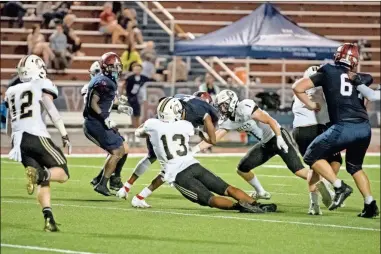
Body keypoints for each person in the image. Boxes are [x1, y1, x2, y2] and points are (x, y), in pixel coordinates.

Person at [133, 97, 277, 213]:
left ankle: (239, 207)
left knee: (210, 199)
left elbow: (138, 133)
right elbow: (206, 137)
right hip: (193, 165)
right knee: (227, 188)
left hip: (178, 175)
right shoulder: (185, 125)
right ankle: (256, 204)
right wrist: (206, 123)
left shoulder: (152, 124)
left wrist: (149, 132)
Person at [292, 43, 379, 218]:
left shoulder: (327, 71)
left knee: (310, 156)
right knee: (355, 167)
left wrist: (311, 105)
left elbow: (297, 87)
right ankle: (370, 204)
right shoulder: (362, 77)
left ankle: (339, 186)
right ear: (354, 61)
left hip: (344, 126)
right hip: (364, 127)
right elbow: (366, 82)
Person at [192, 89, 320, 203]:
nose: (222, 109)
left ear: (231, 102)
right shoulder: (229, 121)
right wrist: (195, 149)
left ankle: (327, 182)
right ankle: (261, 192)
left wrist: (280, 137)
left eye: (223, 106)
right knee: (242, 168)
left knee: (298, 170)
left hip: (277, 136)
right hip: (265, 144)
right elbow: (214, 138)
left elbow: (270, 120)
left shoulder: (245, 107)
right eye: (220, 107)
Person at [116, 93, 219, 208]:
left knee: (151, 157)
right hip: (166, 128)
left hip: (158, 122)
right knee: (170, 167)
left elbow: (166, 101)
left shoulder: (186, 101)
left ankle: (126, 187)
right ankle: (139, 197)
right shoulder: (200, 111)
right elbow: (212, 140)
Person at [5, 55, 71, 232]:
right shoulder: (40, 84)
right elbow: (52, 111)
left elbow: (9, 125)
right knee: (62, 173)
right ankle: (39, 175)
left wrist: (14, 144)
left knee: (45, 181)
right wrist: (64, 134)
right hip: (35, 134)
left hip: (18, 141)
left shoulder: (11, 90)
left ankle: (49, 219)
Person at [292, 66, 343, 214]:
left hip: (298, 131)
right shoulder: (321, 90)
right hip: (317, 129)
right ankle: (329, 183)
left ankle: (314, 204)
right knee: (336, 160)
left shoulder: (299, 90)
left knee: (314, 167)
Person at [83, 52, 133, 196]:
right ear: (106, 67)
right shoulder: (104, 82)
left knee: (124, 148)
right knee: (117, 152)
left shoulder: (106, 80)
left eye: (118, 66)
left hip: (97, 121)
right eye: (114, 67)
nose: (117, 69)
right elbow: (93, 103)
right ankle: (103, 183)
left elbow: (105, 103)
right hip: (95, 123)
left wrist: (119, 107)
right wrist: (105, 118)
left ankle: (104, 179)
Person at [123, 63, 149, 128]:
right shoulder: (129, 78)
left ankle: (139, 125)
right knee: (134, 112)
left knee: (141, 112)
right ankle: (134, 125)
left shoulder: (145, 78)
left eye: (138, 69)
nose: (137, 71)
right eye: (135, 69)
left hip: (142, 97)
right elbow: (125, 87)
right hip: (132, 97)